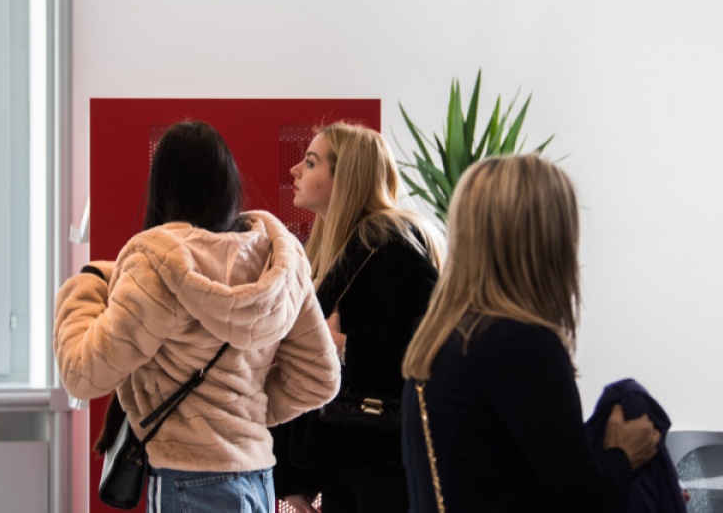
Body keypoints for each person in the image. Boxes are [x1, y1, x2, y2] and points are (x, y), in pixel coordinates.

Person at [55, 121, 340, 512]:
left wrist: (86, 285)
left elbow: (82, 373)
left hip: (187, 480)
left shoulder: (154, 266)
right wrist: (243, 411)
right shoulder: (278, 261)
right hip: (257, 479)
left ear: (162, 186)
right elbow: (320, 378)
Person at [401, 155, 660, 512]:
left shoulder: (441, 339)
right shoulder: (519, 343)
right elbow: (584, 498)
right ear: (547, 240)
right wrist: (624, 454)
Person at [275, 122, 442, 513]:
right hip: (344, 460)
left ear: (345, 178)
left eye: (311, 162)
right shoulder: (333, 250)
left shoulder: (393, 246)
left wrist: (347, 346)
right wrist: (294, 478)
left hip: (384, 463)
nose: (295, 170)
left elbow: (433, 346)